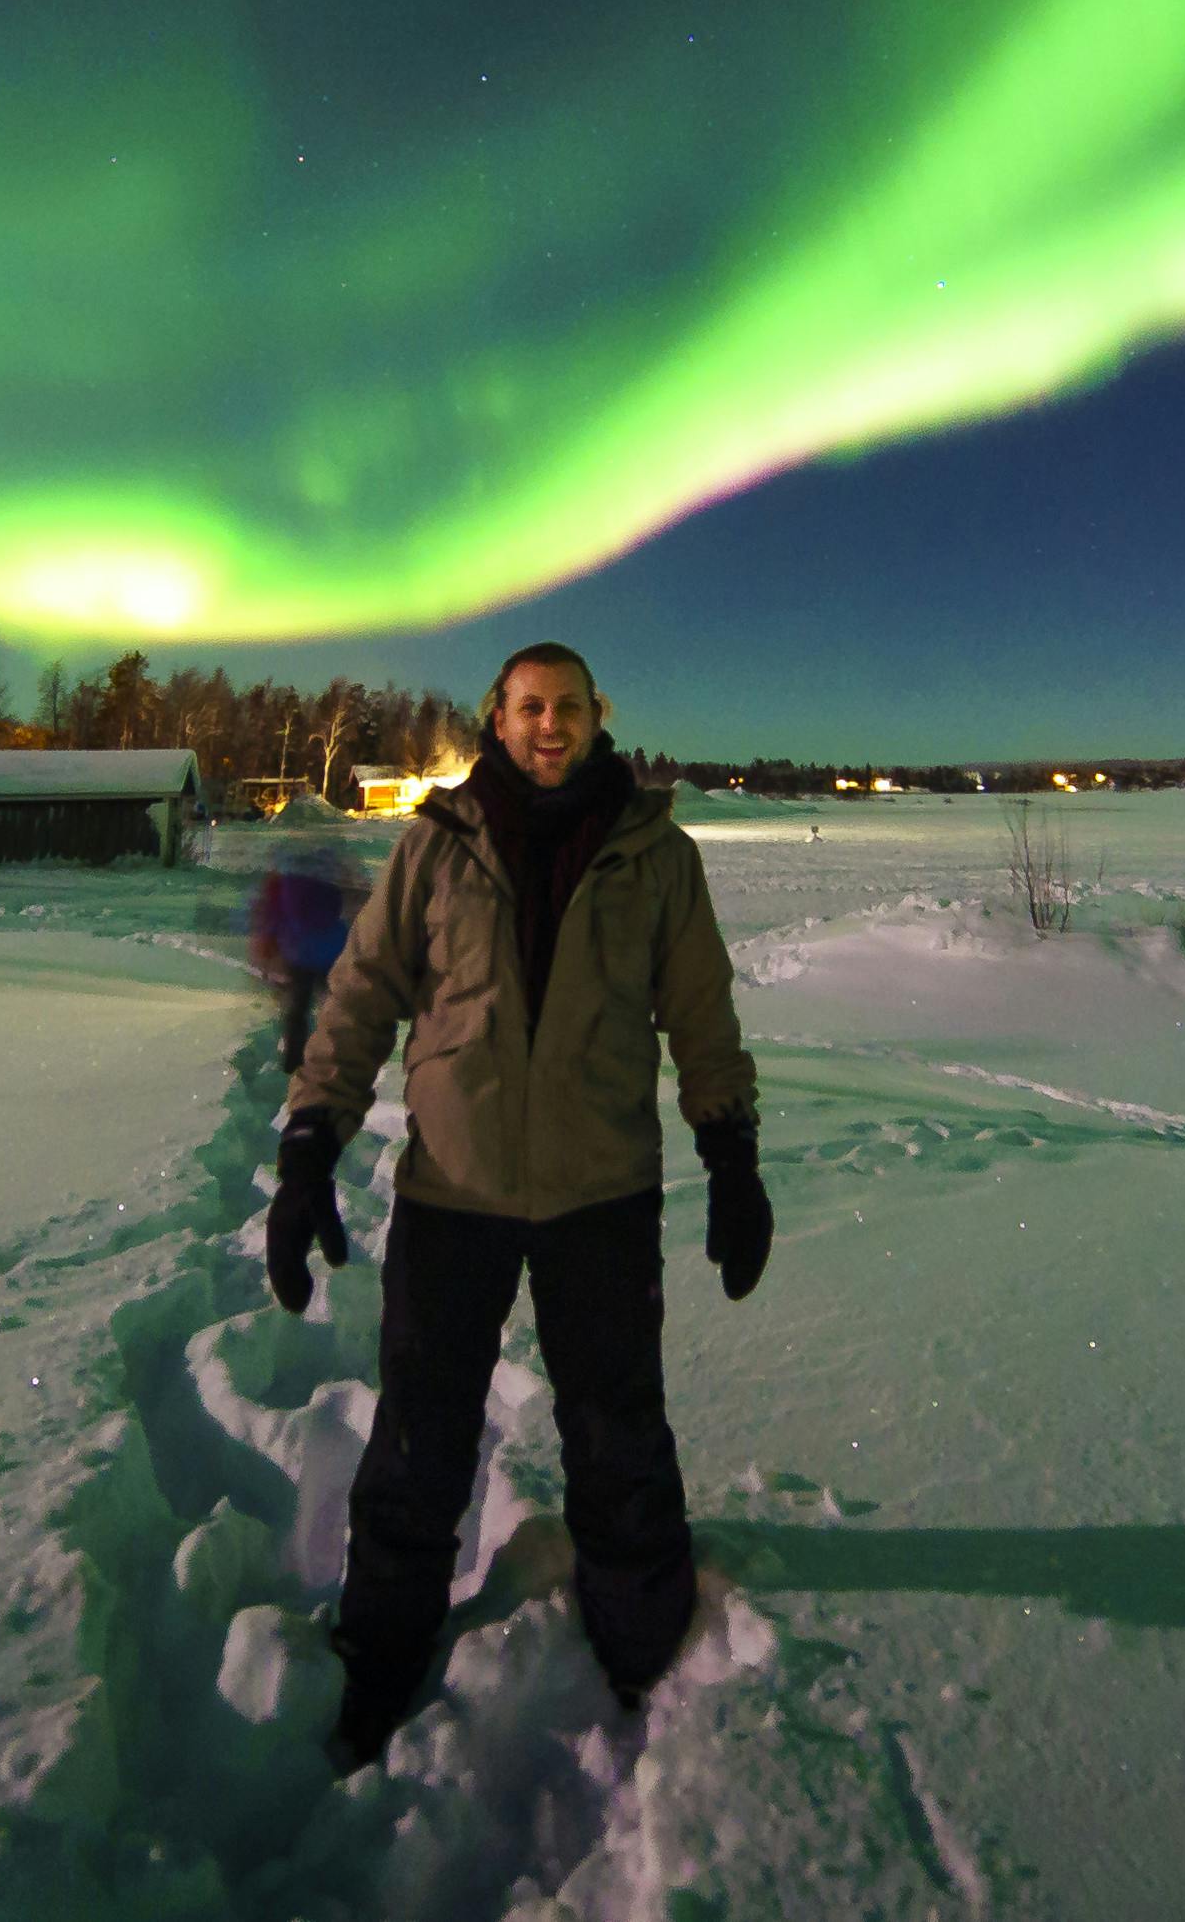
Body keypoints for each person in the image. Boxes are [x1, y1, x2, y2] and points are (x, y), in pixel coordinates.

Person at [263, 640, 772, 1761]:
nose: (551, 725)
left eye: (570, 707)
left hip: (602, 1195)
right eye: (530, 706)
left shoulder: (656, 854)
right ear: (497, 718)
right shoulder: (436, 846)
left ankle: (643, 1642)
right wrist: (311, 1142)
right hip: (456, 1190)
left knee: (619, 1431)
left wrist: (729, 1149)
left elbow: (701, 1010)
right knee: (419, 1438)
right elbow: (359, 996)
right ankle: (381, 1653)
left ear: (600, 717)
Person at [245, 833, 367, 1074]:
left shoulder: (285, 879)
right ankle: (338, 1058)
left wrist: (268, 946)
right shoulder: (335, 872)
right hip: (332, 949)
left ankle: (294, 1062)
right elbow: (357, 903)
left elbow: (272, 915)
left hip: (299, 951)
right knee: (335, 1006)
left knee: (298, 1009)